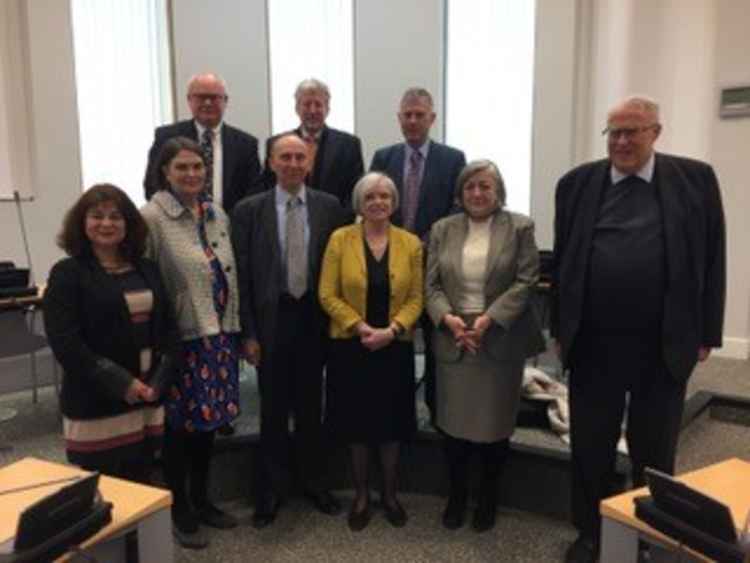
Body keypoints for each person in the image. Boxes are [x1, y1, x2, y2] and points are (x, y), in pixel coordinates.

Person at [551, 96, 726, 563]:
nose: (622, 141)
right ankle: (590, 533)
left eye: (633, 131)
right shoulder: (575, 184)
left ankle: (650, 535)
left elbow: (713, 258)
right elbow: (564, 264)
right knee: (590, 445)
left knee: (654, 448)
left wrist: (708, 330)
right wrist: (560, 328)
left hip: (663, 343)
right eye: (614, 132)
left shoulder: (695, 180)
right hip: (594, 343)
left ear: (656, 132)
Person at [232, 133, 346, 529]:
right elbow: (242, 279)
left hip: (315, 320)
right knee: (274, 410)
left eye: (300, 156)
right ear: (271, 162)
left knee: (313, 409)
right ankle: (271, 492)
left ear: (309, 162)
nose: (294, 163)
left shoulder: (330, 207)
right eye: (285, 156)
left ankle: (315, 484)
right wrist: (248, 333)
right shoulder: (248, 210)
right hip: (271, 321)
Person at [425, 160, 545, 532]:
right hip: (454, 336)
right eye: (470, 187)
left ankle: (488, 498)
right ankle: (457, 496)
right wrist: (448, 319)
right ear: (460, 193)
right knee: (453, 426)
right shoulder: (443, 229)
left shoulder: (520, 226)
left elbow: (526, 281)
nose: (477, 194)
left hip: (498, 337)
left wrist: (488, 320)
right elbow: (430, 285)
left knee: (494, 428)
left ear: (498, 192)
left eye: (485, 187)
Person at [141, 136, 242, 549]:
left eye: (197, 166)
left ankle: (203, 499)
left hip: (219, 336)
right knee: (178, 429)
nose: (191, 174)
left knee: (209, 424)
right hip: (182, 340)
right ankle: (179, 506)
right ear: (165, 171)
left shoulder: (216, 213)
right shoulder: (151, 217)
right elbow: (144, 279)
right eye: (181, 167)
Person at [44, 184, 180, 483]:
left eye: (115, 217)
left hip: (146, 397)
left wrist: (157, 382)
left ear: (128, 224)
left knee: (143, 479)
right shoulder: (67, 273)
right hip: (97, 401)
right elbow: (66, 342)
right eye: (97, 216)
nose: (106, 223)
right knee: (104, 487)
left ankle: (142, 533)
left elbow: (169, 328)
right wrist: (123, 383)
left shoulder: (147, 268)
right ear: (82, 223)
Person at [319, 172, 423, 531]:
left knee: (391, 424)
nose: (378, 202)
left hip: (394, 348)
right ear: (359, 203)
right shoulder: (339, 239)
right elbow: (327, 294)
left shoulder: (411, 243)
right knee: (357, 425)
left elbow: (416, 298)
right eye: (370, 197)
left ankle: (390, 495)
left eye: (384, 196)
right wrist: (360, 327)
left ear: (394, 202)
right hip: (351, 346)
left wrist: (392, 331)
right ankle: (362, 496)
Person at [370, 87, 466, 421]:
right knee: (397, 338)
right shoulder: (384, 157)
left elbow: (457, 208)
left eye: (419, 115)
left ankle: (438, 411)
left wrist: (425, 243)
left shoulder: (453, 159)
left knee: (438, 340)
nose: (413, 121)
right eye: (406, 115)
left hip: (435, 265)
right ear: (399, 118)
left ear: (432, 118)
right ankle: (398, 411)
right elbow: (373, 201)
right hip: (391, 264)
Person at [143, 72, 262, 214]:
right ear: (189, 100)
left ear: (225, 101)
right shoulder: (167, 136)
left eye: (214, 97)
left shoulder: (246, 144)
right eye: (200, 97)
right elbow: (152, 184)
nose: (207, 103)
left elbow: (253, 193)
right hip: (176, 225)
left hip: (230, 228)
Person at [263, 78, 364, 211]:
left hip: (334, 222)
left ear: (327, 108)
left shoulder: (349, 145)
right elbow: (267, 186)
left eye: (318, 104)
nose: (312, 110)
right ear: (297, 108)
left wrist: (339, 222)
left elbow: (356, 191)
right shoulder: (277, 143)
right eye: (307, 104)